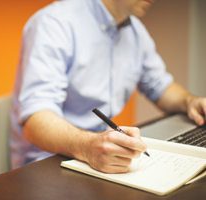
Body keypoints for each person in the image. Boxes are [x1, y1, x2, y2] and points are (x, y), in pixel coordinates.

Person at [10, 0, 206, 172]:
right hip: (48, 162)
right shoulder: (54, 23)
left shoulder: (135, 32)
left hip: (99, 154)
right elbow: (35, 120)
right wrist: (87, 147)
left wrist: (189, 101)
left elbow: (160, 86)